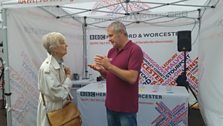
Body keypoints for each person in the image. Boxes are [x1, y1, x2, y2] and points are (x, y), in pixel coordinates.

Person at [88, 21, 143, 126]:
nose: (109, 39)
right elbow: (110, 76)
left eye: (111, 35)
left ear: (121, 33)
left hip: (126, 108)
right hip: (110, 105)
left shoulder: (135, 50)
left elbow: (132, 78)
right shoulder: (111, 51)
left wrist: (109, 66)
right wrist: (101, 70)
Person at [36, 32, 73, 126]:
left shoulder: (59, 64)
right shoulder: (47, 69)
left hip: (58, 108)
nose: (66, 45)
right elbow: (59, 93)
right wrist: (68, 78)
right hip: (52, 110)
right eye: (62, 43)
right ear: (54, 49)